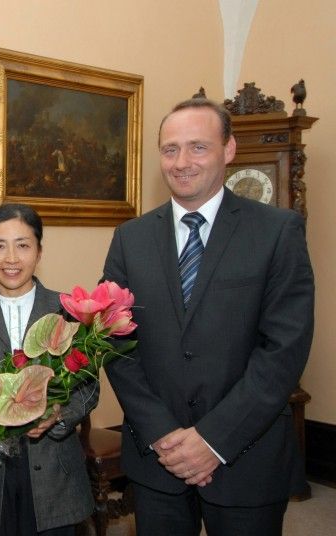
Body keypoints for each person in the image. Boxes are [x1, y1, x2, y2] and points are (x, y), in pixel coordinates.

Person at [102, 98, 314, 535]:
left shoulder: (277, 231)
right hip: (156, 459)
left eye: (198, 147)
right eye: (170, 149)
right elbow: (116, 344)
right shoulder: (129, 238)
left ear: (228, 149)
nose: (182, 162)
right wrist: (163, 433)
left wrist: (212, 440)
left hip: (247, 458)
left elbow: (283, 351)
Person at [0, 203, 97, 536]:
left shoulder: (65, 309)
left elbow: (88, 386)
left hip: (53, 468)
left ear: (39, 251)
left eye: (23, 245)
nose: (11, 258)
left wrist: (58, 415)